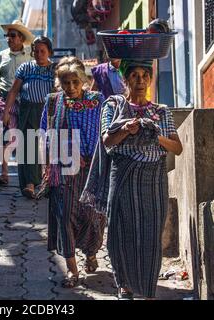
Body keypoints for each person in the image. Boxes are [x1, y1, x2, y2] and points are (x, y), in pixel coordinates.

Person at [80, 59, 183, 299]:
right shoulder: (113, 106)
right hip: (123, 174)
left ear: (150, 80)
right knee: (119, 230)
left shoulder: (161, 111)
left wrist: (153, 134)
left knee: (150, 234)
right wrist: (126, 129)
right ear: (125, 81)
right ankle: (124, 285)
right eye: (134, 76)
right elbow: (107, 141)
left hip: (153, 178)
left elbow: (176, 148)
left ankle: (147, 289)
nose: (139, 80)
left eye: (144, 76)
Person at [40, 57, 106, 288]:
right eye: (65, 83)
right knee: (64, 215)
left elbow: (105, 130)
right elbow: (44, 136)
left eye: (75, 82)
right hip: (64, 168)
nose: (71, 88)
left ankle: (91, 251)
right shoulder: (52, 102)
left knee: (92, 216)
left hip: (93, 168)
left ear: (84, 81)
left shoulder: (97, 101)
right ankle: (72, 269)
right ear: (59, 83)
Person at [3, 36, 56, 199]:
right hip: (28, 110)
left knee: (49, 148)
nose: (39, 54)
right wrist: (6, 112)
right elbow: (13, 91)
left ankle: (48, 183)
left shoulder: (55, 70)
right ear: (32, 52)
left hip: (49, 111)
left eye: (43, 51)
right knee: (28, 147)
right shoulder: (25, 68)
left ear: (49, 52)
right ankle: (30, 185)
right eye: (36, 51)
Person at [0, 20, 34, 185]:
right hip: (5, 101)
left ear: (21, 38)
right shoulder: (0, 56)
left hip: (26, 101)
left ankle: (28, 176)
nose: (8, 39)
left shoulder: (31, 55)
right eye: (7, 35)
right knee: (4, 136)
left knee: (26, 136)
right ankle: (4, 173)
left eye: (12, 35)